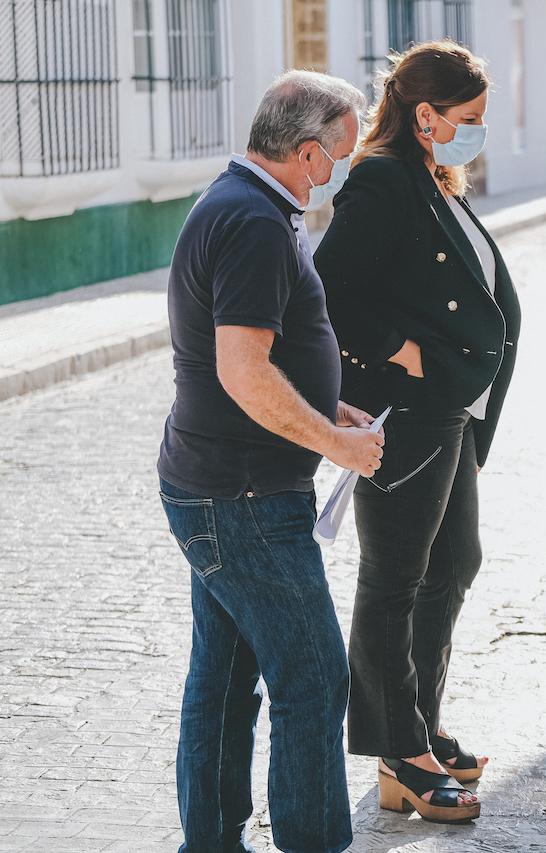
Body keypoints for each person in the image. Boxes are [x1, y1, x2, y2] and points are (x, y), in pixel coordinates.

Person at [157, 71, 381, 853]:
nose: (343, 170)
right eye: (343, 155)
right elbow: (243, 370)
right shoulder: (251, 220)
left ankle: (209, 843)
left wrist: (330, 408)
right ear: (309, 152)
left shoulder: (250, 205)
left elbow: (274, 351)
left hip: (221, 486)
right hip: (243, 497)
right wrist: (334, 442)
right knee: (315, 676)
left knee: (222, 683)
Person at [313, 40, 521, 824]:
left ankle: (418, 722)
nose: (475, 132)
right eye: (466, 119)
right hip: (411, 409)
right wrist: (403, 349)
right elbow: (328, 291)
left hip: (453, 412)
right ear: (424, 114)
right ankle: (399, 749)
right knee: (396, 575)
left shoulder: (431, 177)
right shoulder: (381, 178)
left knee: (453, 561)